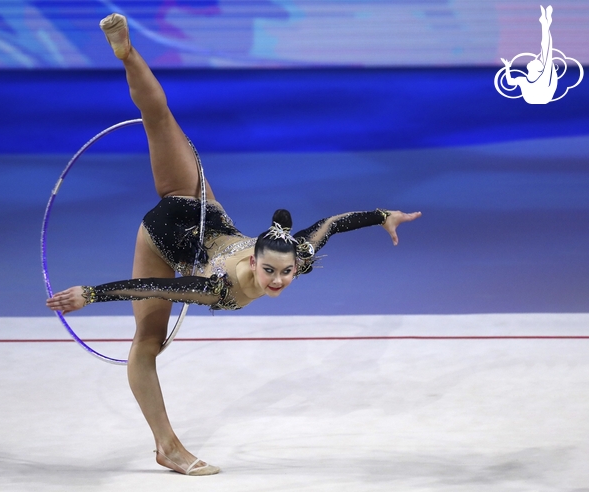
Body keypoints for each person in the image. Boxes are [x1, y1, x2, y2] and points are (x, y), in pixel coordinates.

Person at [46, 13, 422, 476]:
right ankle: (127, 52)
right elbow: (146, 285)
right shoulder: (217, 290)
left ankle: (126, 56)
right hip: (167, 230)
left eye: (285, 273)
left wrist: (385, 216)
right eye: (271, 272)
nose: (280, 280)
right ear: (255, 259)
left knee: (159, 120)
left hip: (191, 204)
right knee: (147, 341)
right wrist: (92, 293)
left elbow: (332, 223)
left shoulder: (292, 253)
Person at [501, 5, 557, 104]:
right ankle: (545, 23)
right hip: (539, 97)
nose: (534, 59)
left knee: (546, 51)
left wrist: (507, 68)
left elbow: (546, 49)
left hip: (540, 97)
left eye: (535, 61)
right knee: (546, 52)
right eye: (536, 61)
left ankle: (545, 23)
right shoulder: (530, 79)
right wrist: (507, 67)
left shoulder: (528, 79)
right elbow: (510, 82)